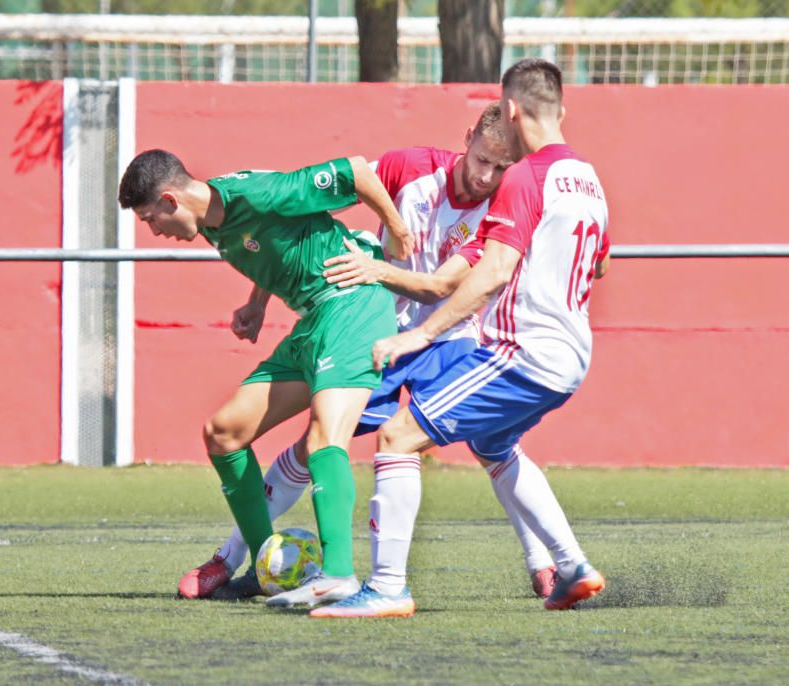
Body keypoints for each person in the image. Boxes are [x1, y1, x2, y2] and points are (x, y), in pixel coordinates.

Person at [180, 103, 565, 605]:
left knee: (493, 444)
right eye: (482, 160)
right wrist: (258, 299)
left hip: (446, 332)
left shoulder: (503, 204)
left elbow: (441, 286)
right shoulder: (410, 167)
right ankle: (241, 560)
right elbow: (298, 220)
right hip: (373, 324)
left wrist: (378, 267)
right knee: (313, 447)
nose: (486, 175)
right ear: (467, 137)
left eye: (500, 168)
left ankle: (548, 564)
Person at [312, 58, 610, 618]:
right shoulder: (589, 178)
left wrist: (417, 335)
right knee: (494, 446)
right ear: (561, 112)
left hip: (522, 354)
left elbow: (492, 272)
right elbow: (601, 266)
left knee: (398, 437)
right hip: (573, 354)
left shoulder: (525, 176)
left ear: (513, 111)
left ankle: (388, 588)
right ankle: (570, 566)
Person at [118, 149, 414, 610]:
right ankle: (264, 567)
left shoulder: (257, 195)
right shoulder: (213, 220)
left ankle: (338, 575)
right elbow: (279, 241)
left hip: (352, 306)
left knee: (324, 438)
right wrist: (258, 302)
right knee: (223, 433)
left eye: (149, 219)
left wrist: (396, 231)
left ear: (171, 200)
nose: (154, 231)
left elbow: (355, 171)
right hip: (312, 322)